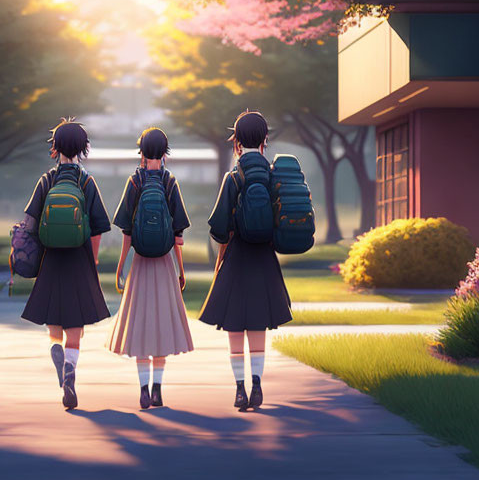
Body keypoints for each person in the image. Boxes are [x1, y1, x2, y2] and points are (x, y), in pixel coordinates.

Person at [198, 111, 292, 411]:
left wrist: (221, 255)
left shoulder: (233, 177)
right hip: (264, 257)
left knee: (235, 326)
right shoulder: (276, 176)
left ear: (236, 140)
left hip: (237, 257)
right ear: (265, 139)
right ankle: (257, 385)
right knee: (258, 327)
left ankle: (239, 389)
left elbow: (219, 228)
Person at [21, 118, 111, 410]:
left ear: (55, 147)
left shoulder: (46, 180)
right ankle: (71, 370)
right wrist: (93, 259)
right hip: (79, 260)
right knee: (76, 324)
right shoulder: (86, 182)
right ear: (83, 149)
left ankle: (57, 352)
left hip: (51, 261)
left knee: (54, 323)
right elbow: (98, 227)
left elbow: (29, 223)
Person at [107, 127, 194, 409]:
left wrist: (121, 267)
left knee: (141, 327)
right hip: (165, 264)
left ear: (141, 151)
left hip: (141, 263)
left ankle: (143, 389)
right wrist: (181, 270)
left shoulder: (135, 183)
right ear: (165, 152)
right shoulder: (170, 183)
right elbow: (179, 237)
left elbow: (127, 234)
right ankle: (158, 389)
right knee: (162, 326)